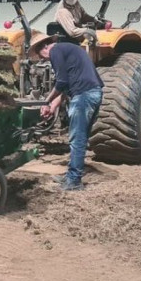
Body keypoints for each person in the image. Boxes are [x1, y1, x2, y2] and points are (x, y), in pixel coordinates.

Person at [29, 33, 104, 191]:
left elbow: (61, 81)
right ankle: (71, 176)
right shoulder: (67, 50)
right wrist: (53, 106)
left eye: (40, 55)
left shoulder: (55, 51)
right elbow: (68, 84)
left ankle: (74, 181)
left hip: (83, 96)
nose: (43, 59)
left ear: (44, 47)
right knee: (79, 138)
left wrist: (46, 101)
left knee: (77, 139)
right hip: (92, 93)